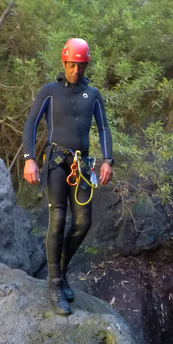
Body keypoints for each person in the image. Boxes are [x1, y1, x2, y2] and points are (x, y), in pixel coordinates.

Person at [22, 37, 114, 316]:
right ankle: (54, 284)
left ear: (86, 66)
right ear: (64, 63)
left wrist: (108, 160)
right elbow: (31, 124)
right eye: (72, 65)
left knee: (84, 222)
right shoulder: (50, 91)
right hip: (57, 163)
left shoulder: (93, 94)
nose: (76, 70)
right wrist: (29, 160)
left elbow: (104, 128)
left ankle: (60, 270)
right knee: (58, 220)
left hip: (83, 166)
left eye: (81, 66)